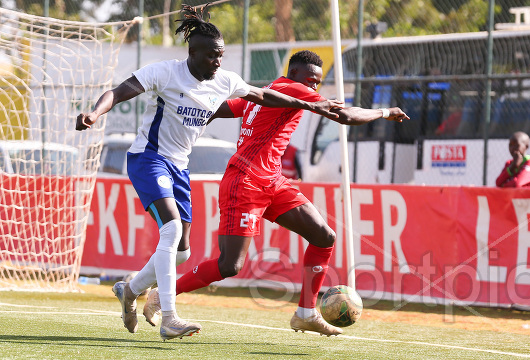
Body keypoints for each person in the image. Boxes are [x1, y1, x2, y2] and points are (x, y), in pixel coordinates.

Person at [75, 5, 341, 341]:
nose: (218, 63)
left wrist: (312, 104)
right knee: (171, 231)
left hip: (180, 166)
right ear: (194, 53)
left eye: (222, 56)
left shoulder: (225, 81)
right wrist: (95, 113)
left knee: (182, 251)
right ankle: (169, 317)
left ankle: (130, 288)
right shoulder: (164, 72)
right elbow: (119, 91)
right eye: (213, 56)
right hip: (149, 158)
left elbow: (264, 96)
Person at [142, 50, 409, 336]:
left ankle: (306, 313)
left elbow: (219, 108)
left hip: (272, 181)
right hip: (244, 182)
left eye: (317, 84)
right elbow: (345, 116)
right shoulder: (291, 89)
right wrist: (386, 112)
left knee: (324, 237)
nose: (313, 89)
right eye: (310, 81)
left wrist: (188, 121)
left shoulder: (264, 93)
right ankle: (159, 296)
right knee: (230, 265)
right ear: (292, 74)